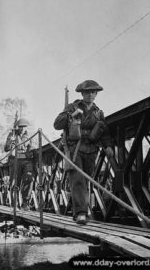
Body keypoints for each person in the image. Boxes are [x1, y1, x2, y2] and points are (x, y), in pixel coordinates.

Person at [54, 80, 113, 225]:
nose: (90, 95)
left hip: (92, 150)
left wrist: (108, 146)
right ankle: (81, 213)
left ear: (96, 94)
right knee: (78, 180)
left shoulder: (98, 112)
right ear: (82, 93)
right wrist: (70, 116)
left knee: (86, 181)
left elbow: (104, 132)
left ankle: (82, 211)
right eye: (87, 92)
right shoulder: (72, 107)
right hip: (75, 150)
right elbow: (57, 124)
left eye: (93, 92)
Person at [4, 117, 35, 211]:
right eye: (20, 127)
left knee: (29, 179)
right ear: (17, 127)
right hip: (15, 160)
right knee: (15, 182)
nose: (22, 129)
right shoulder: (12, 134)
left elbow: (32, 148)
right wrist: (11, 141)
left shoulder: (29, 136)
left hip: (26, 160)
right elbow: (6, 148)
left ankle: (25, 203)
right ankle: (15, 203)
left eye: (24, 127)